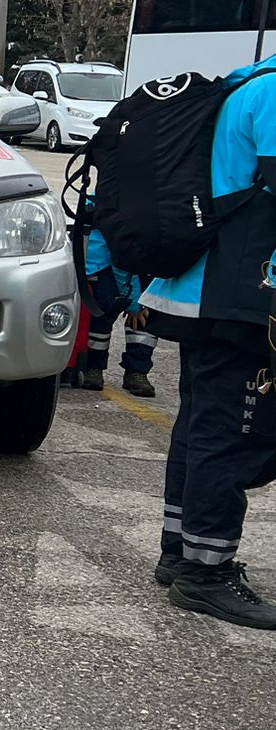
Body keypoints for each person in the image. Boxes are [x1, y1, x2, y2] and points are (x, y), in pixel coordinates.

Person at [141, 55, 276, 629]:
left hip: (201, 288)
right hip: (240, 295)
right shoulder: (272, 92)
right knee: (234, 430)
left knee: (202, 422)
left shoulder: (247, 82)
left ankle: (183, 552)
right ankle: (206, 572)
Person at [74, 219, 156, 397]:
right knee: (102, 314)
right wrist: (133, 300)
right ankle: (94, 368)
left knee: (146, 315)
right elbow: (122, 252)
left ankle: (137, 371)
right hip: (105, 263)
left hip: (135, 259)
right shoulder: (122, 199)